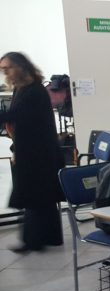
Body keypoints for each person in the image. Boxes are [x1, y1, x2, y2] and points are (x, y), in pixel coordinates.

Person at [0, 52, 64, 253]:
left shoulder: (34, 91)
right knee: (41, 197)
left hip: (40, 154)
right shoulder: (22, 89)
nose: (6, 74)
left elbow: (14, 115)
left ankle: (33, 241)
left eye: (8, 69)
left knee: (35, 197)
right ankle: (50, 238)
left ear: (20, 67)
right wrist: (16, 149)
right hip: (32, 151)